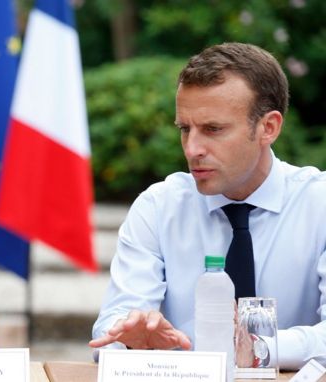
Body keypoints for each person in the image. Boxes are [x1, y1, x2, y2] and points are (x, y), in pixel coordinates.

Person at [89, 42, 326, 370]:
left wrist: (255, 347)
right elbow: (113, 328)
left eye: (213, 129)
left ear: (268, 128)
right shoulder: (158, 207)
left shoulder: (319, 204)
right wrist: (131, 340)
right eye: (185, 129)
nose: (193, 148)